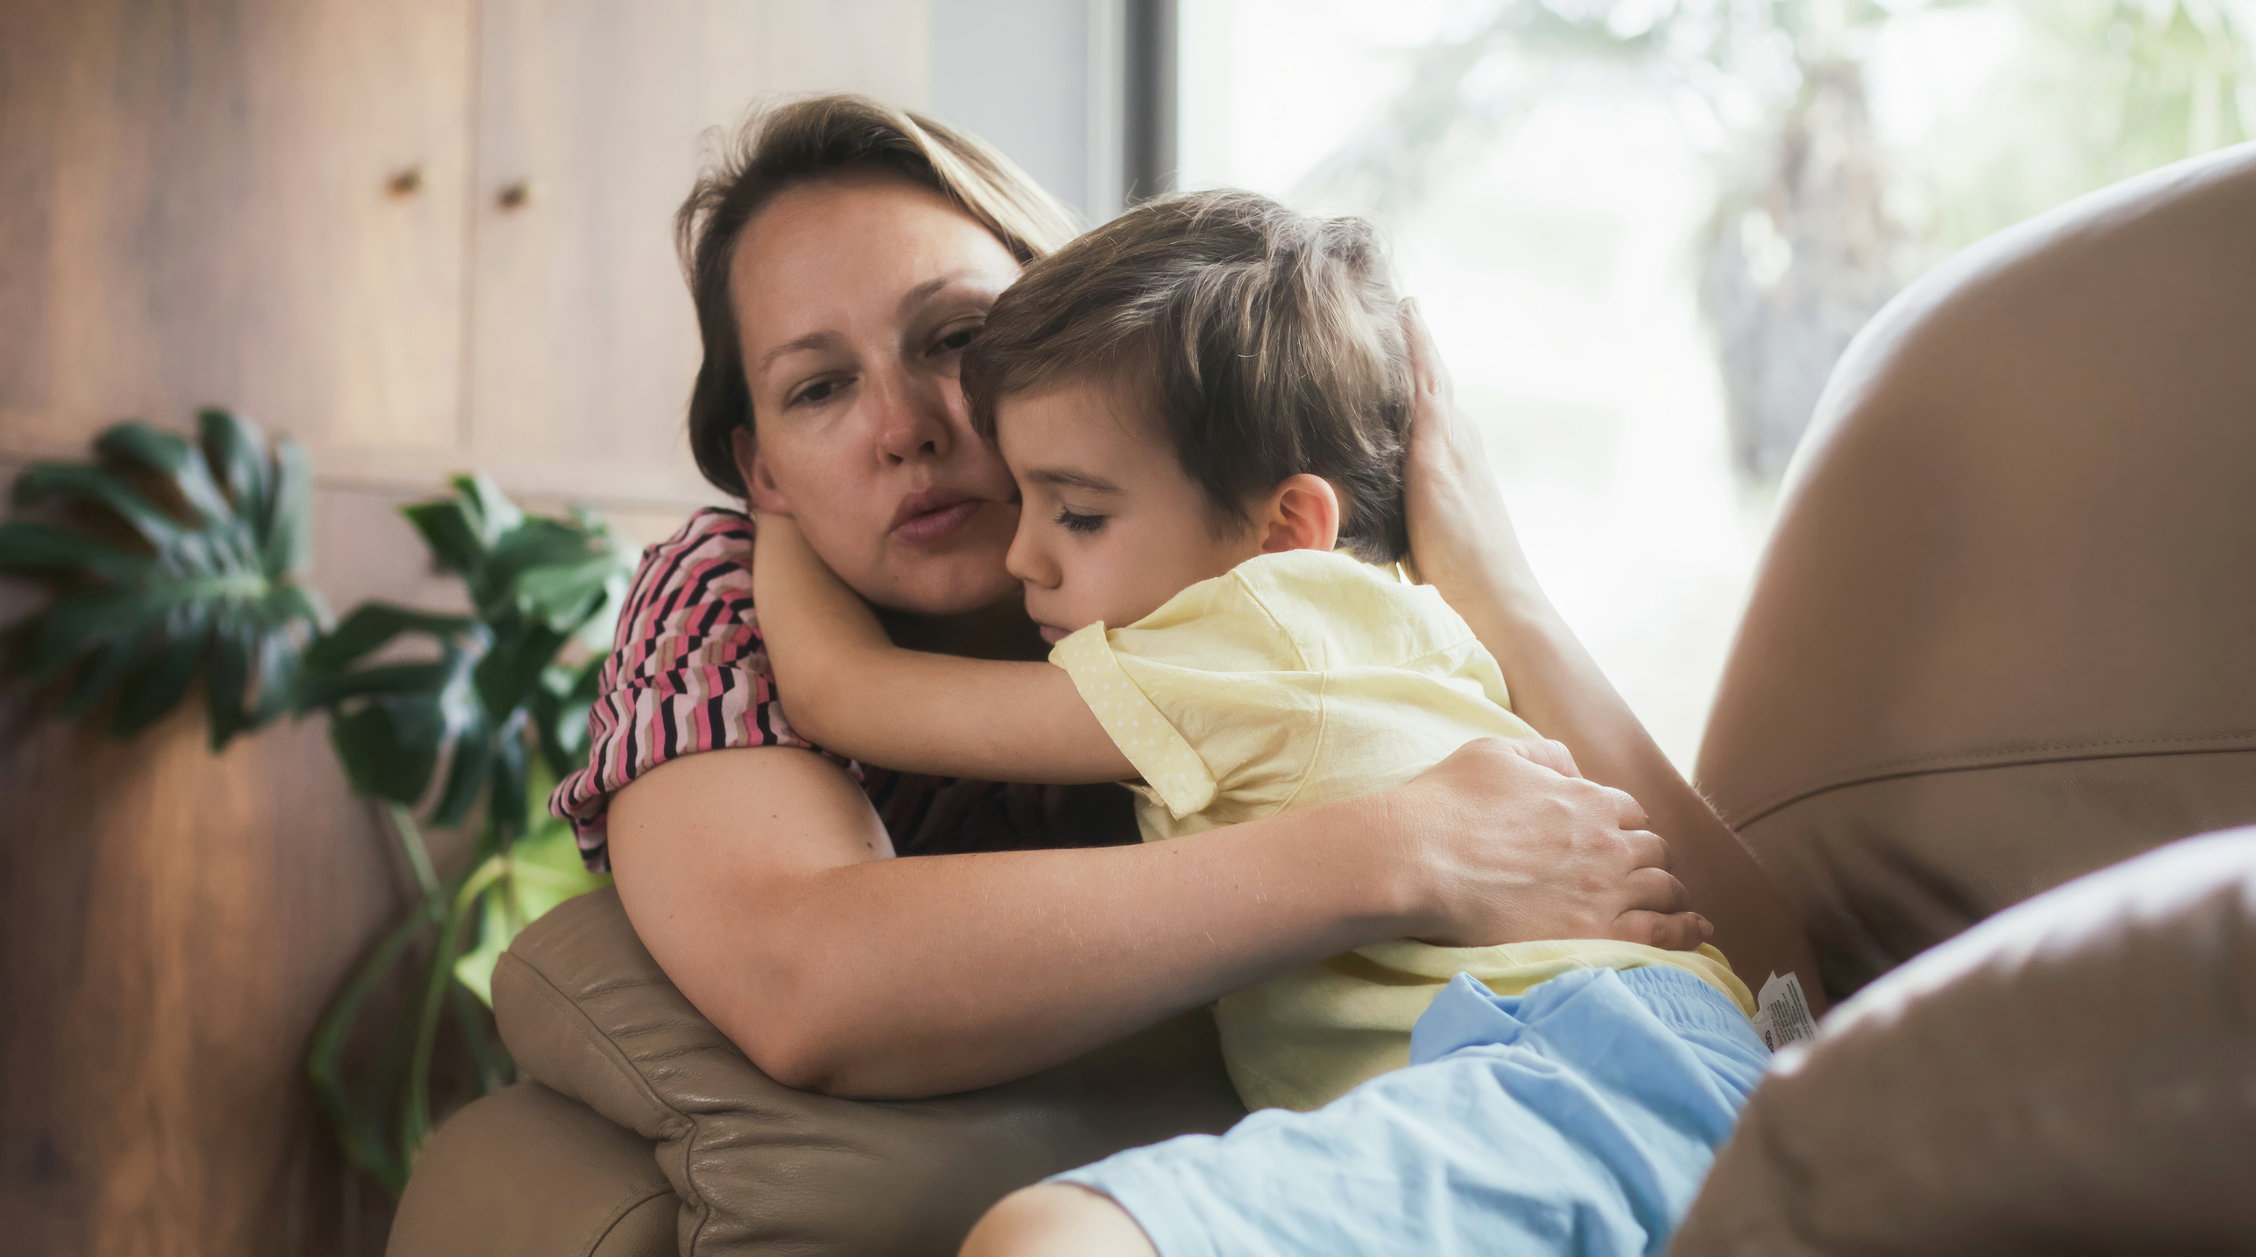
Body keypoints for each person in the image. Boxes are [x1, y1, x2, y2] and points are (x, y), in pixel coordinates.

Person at [550, 91, 1728, 1118]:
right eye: (817, 389)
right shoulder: (727, 593)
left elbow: (1771, 986)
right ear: (760, 473)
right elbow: (805, 986)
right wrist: (1400, 849)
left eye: (956, 338)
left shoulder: (1266, 555)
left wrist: (1498, 589)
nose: (904, 424)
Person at [748, 189, 1816, 1255]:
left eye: (1075, 513)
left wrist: (772, 504)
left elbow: (844, 692)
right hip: (1665, 1062)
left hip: (1564, 1066)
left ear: (1285, 530)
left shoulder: (1243, 637)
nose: (1026, 557)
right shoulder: (1383, 620)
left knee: (1054, 1238)